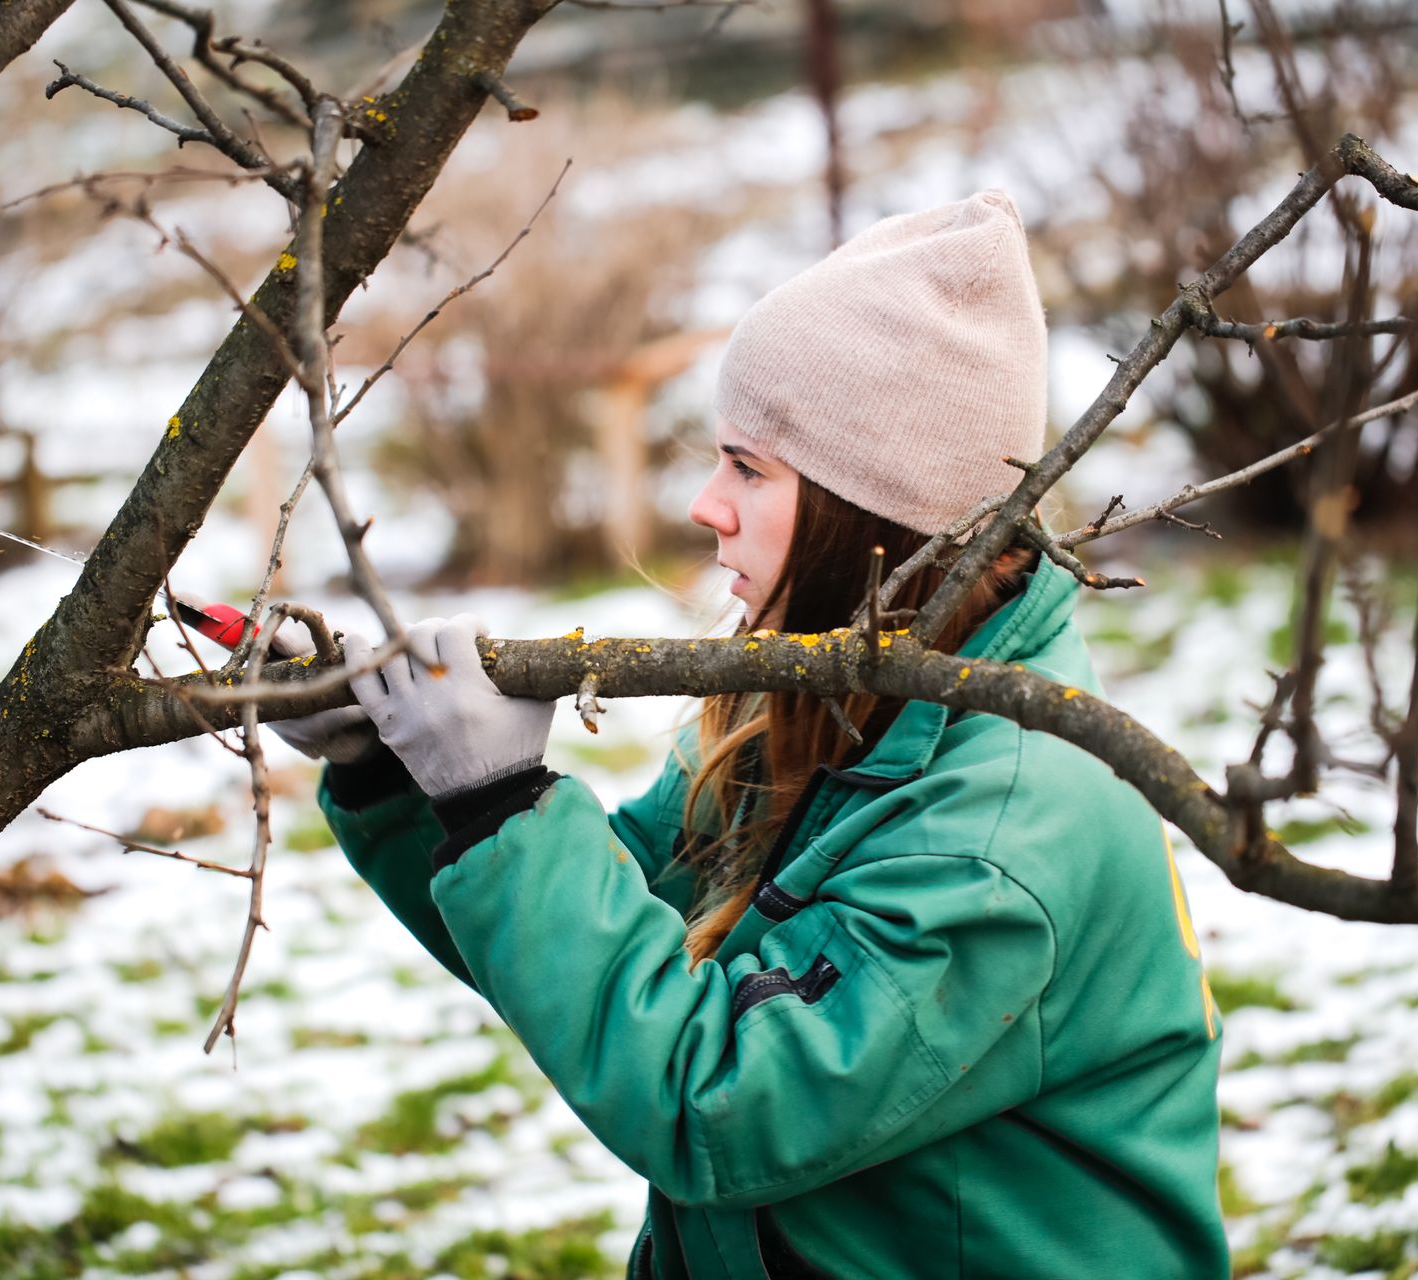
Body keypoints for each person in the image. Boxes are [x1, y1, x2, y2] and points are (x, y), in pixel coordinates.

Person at [274, 190, 1228, 1279]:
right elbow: (597, 935)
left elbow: (717, 1102)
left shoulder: (1000, 835)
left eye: (748, 467)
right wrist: (404, 776)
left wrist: (499, 806)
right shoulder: (814, 704)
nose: (703, 503)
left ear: (871, 513)